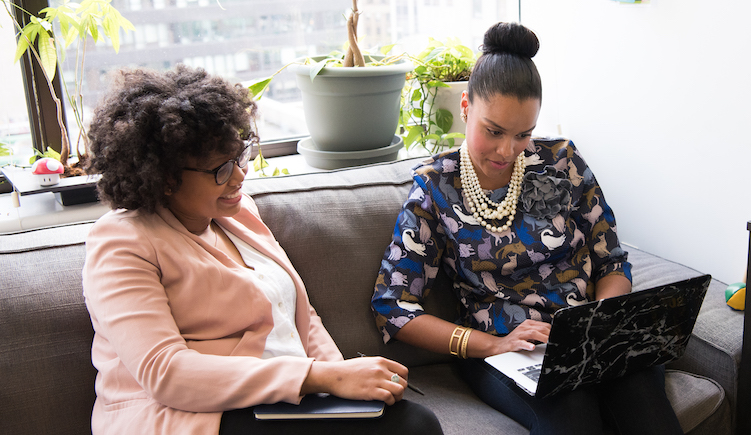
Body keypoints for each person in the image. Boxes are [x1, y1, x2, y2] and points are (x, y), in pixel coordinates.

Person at [83, 65, 442, 435]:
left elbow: (299, 315)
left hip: (275, 402)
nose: (240, 176)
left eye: (240, 157)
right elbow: (166, 372)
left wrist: (345, 387)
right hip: (186, 416)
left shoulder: (238, 213)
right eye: (220, 169)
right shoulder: (122, 242)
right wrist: (321, 377)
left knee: (411, 423)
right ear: (165, 177)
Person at [371, 22, 683, 435]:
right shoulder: (435, 187)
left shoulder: (562, 162)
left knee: (641, 392)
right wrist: (494, 344)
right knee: (571, 412)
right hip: (501, 352)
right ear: (466, 107)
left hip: (586, 337)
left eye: (523, 134)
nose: (507, 150)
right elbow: (392, 307)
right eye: (493, 131)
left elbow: (612, 261)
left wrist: (601, 320)